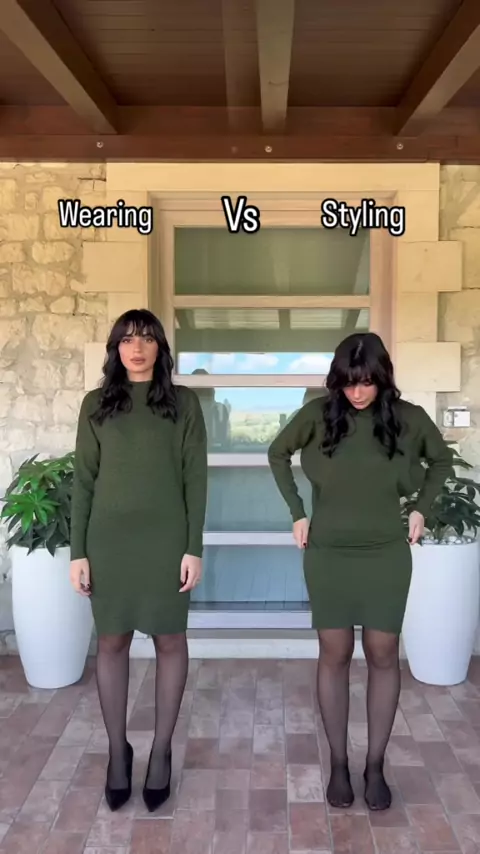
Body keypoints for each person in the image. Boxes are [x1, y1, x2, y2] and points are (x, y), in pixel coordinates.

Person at [267, 332, 453, 812]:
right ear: (337, 380)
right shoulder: (318, 415)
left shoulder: (408, 418)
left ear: (382, 378)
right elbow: (277, 453)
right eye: (349, 382)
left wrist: (422, 508)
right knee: (334, 652)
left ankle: (374, 766)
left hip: (385, 552)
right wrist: (297, 512)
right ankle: (338, 764)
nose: (357, 392)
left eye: (366, 382)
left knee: (383, 652)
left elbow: (440, 461)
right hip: (328, 551)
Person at [69, 309, 207, 813]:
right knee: (112, 641)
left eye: (147, 338)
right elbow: (84, 481)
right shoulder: (96, 405)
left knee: (170, 640)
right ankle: (117, 752)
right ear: (116, 348)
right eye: (127, 339)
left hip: (167, 541)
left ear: (160, 348)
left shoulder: (184, 404)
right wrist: (78, 551)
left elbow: (196, 478)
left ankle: (162, 750)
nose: (137, 348)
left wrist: (193, 546)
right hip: (109, 542)